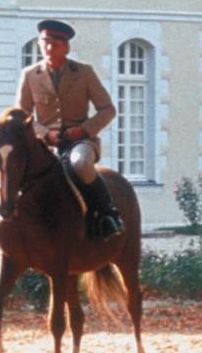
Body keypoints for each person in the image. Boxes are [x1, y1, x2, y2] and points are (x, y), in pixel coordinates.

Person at [17, 19, 125, 240]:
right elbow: (22, 115)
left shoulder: (84, 73)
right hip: (45, 143)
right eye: (44, 43)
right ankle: (9, 221)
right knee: (13, 168)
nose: (48, 49)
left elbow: (108, 109)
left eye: (54, 44)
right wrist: (44, 133)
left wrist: (84, 130)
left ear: (66, 47)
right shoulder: (29, 75)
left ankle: (107, 214)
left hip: (81, 142)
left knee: (81, 164)